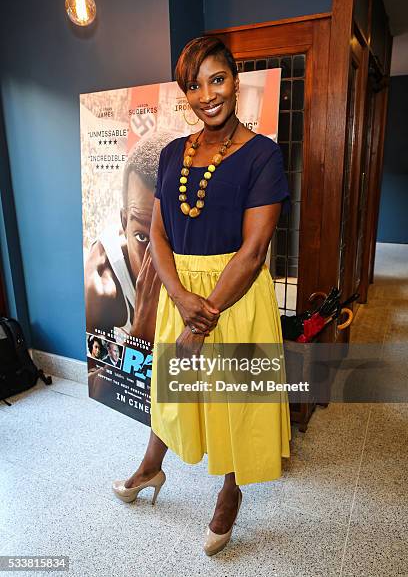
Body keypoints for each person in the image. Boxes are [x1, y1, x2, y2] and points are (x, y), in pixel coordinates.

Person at [112, 36, 292, 556]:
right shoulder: (172, 153)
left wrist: (201, 317)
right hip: (181, 292)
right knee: (173, 390)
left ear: (236, 82)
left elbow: (254, 250)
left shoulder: (262, 156)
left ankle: (231, 493)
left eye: (217, 80)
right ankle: (151, 467)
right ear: (185, 93)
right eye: (194, 85)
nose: (206, 94)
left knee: (231, 397)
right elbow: (161, 236)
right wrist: (177, 296)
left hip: (231, 298)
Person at [84, 131, 176, 344]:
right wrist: (141, 331)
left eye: (174, 236)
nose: (159, 258)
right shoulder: (100, 287)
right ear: (124, 223)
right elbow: (92, 373)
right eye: (143, 238)